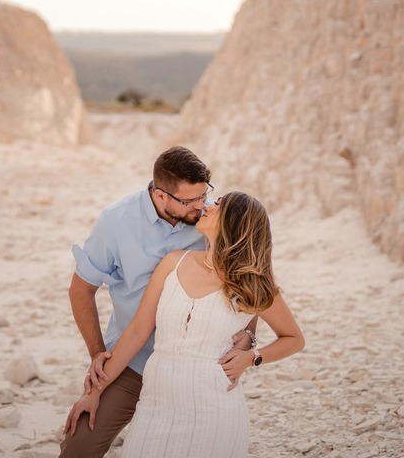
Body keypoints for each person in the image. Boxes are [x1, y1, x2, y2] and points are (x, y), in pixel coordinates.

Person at [64, 191, 304, 457]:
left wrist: (252, 357)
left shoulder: (253, 285)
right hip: (156, 406)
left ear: (233, 223)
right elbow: (136, 332)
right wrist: (94, 392)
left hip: (214, 410)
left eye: (219, 205)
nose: (209, 206)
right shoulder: (173, 263)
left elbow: (293, 338)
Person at [61, 147, 257, 458]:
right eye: (189, 201)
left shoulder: (212, 223)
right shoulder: (116, 221)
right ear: (160, 194)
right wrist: (98, 354)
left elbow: (247, 280)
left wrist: (248, 337)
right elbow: (80, 289)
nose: (200, 206)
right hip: (131, 359)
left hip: (191, 368)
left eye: (204, 195)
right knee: (79, 445)